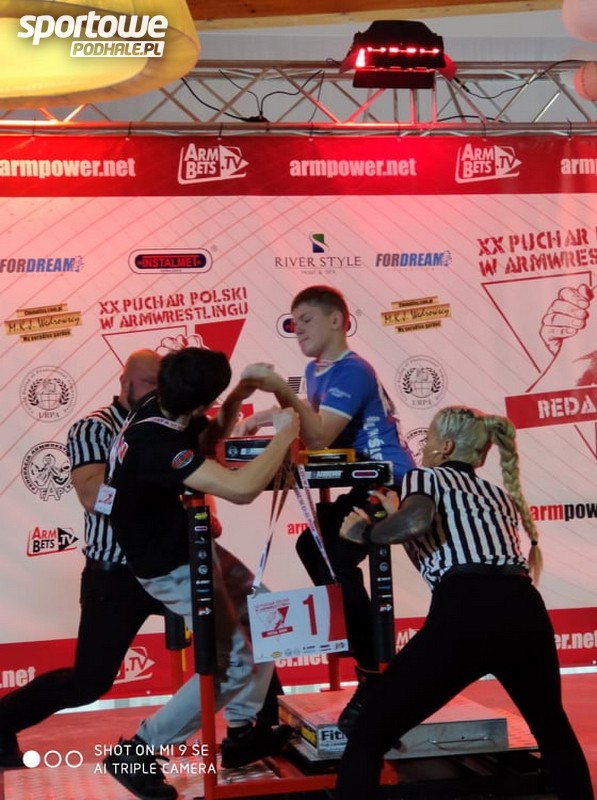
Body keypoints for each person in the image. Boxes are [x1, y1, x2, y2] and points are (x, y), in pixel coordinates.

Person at [334, 405, 594, 800]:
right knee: (554, 733)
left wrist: (366, 532)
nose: (422, 449)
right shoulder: (497, 495)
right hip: (524, 609)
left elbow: (417, 523)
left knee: (368, 734)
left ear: (446, 447)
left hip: (466, 610)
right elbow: (436, 541)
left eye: (429, 440)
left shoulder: (424, 477)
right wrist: (395, 516)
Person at [102, 347, 300, 800]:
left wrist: (239, 396)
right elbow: (241, 489)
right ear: (200, 403)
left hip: (186, 546)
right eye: (215, 401)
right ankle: (138, 751)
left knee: (266, 616)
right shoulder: (156, 445)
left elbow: (205, 439)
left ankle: (242, 733)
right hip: (168, 565)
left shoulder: (158, 404)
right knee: (232, 662)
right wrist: (284, 436)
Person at [237, 285, 415, 734]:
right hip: (365, 481)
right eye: (293, 321)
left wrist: (281, 391)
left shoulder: (353, 371)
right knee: (313, 547)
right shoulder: (316, 370)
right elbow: (310, 419)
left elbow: (317, 437)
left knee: (332, 555)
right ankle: (371, 662)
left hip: (391, 482)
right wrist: (264, 416)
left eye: (306, 319)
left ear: (337, 320)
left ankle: (375, 674)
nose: (297, 328)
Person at [0, 349, 164, 769]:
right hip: (116, 576)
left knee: (236, 628)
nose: (155, 391)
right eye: (148, 382)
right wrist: (148, 500)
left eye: (161, 383)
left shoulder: (168, 426)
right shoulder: (95, 427)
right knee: (89, 683)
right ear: (124, 382)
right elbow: (93, 497)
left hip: (166, 568)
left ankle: (257, 728)